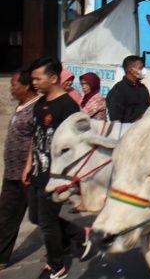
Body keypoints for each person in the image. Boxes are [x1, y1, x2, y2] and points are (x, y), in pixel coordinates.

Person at [23, 57, 82, 279]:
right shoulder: (40, 103)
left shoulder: (68, 106)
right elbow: (36, 136)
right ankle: (77, 234)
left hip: (55, 176)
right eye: (33, 78)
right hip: (38, 171)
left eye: (38, 78)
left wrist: (70, 178)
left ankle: (56, 266)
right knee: (36, 218)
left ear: (54, 78)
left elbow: (77, 145)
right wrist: (28, 163)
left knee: (47, 223)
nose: (34, 82)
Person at [0, 70, 38, 269]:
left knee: (41, 213)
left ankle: (73, 235)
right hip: (11, 171)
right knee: (7, 214)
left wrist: (28, 166)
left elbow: (36, 139)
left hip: (25, 173)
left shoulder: (36, 108)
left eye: (14, 84)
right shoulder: (21, 105)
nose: (11, 88)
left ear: (26, 86)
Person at [106, 55, 150, 123]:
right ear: (131, 70)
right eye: (140, 68)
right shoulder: (118, 90)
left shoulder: (143, 88)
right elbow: (115, 118)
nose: (143, 70)